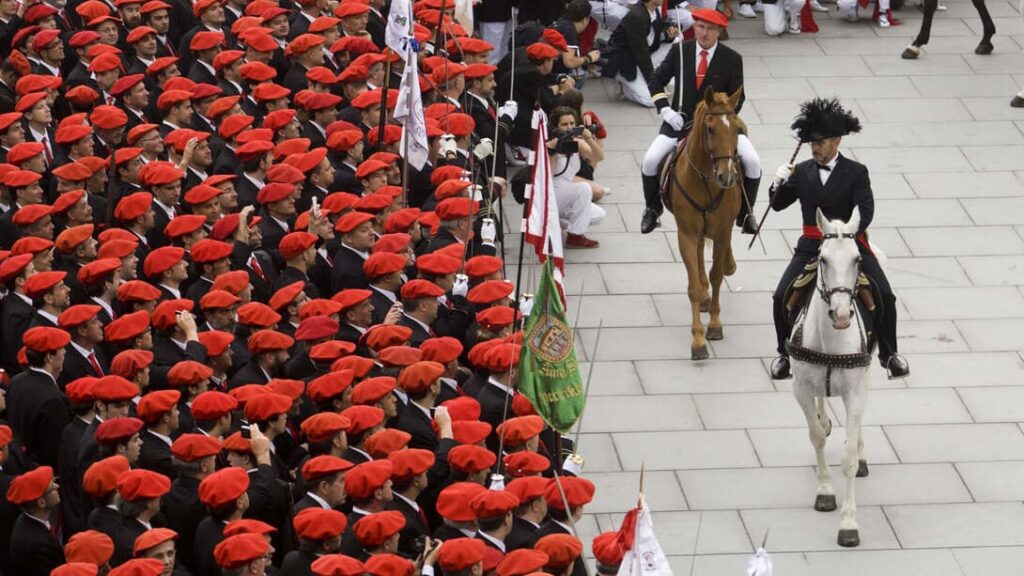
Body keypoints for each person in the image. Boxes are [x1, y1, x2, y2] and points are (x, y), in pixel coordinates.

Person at [766, 97, 910, 380]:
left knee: (885, 295)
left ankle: (890, 354)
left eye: (820, 142)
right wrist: (777, 182)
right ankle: (784, 354)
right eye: (812, 143)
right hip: (811, 244)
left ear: (836, 142)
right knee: (781, 295)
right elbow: (778, 204)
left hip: (848, 243)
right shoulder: (803, 171)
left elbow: (866, 210)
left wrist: (848, 232)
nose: (815, 148)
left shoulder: (856, 172)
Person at [638, 8, 762, 236]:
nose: (704, 33)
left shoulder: (732, 59)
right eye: (700, 27)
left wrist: (722, 116)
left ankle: (746, 213)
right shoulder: (680, 52)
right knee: (650, 160)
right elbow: (656, 81)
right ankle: (652, 209)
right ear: (694, 27)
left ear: (719, 31)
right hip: (679, 123)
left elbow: (738, 96)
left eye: (710, 28)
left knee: (753, 162)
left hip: (718, 127)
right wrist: (666, 111)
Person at [547, 107, 606, 249]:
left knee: (598, 214)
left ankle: (558, 226)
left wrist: (589, 139)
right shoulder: (548, 142)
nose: (569, 128)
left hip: (567, 192)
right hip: (551, 194)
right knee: (584, 188)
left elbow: (599, 157)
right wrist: (552, 151)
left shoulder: (576, 142)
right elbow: (549, 175)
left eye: (572, 124)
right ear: (556, 126)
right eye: (564, 124)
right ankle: (575, 236)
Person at [602, 0, 678, 107]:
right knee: (652, 100)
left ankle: (641, 80)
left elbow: (653, 39)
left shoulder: (653, 11)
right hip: (625, 64)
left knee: (676, 42)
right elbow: (641, 54)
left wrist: (669, 37)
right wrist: (654, 83)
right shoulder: (637, 16)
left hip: (641, 56)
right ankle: (626, 88)